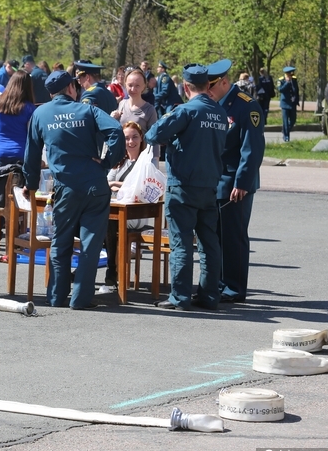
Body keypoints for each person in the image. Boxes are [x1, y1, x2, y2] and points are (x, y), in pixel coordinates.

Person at [22, 70, 125, 309]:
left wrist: (31, 184)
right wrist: (108, 162)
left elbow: (32, 154)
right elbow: (116, 131)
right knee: (90, 244)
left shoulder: (40, 113)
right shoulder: (87, 110)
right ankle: (81, 299)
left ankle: (57, 297)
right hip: (94, 185)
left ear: (50, 93)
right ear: (71, 88)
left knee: (61, 242)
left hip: (66, 188)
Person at [145, 64, 227, 311]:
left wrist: (174, 139)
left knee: (181, 242)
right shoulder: (220, 113)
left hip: (183, 185)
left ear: (185, 86)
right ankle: (210, 295)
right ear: (207, 85)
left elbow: (152, 134)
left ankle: (180, 297)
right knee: (209, 244)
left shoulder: (186, 110)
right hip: (209, 185)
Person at [207, 59, 266, 304]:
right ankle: (218, 283)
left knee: (233, 236)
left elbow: (251, 149)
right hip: (214, 181)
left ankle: (234, 288)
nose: (206, 91)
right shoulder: (212, 104)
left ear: (224, 82)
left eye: (210, 86)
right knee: (216, 237)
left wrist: (241, 182)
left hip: (235, 183)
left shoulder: (246, 106)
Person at [104, 121, 148, 286]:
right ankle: (110, 271)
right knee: (99, 222)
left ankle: (111, 271)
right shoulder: (119, 161)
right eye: (127, 138)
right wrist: (122, 186)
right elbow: (106, 182)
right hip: (116, 209)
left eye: (134, 137)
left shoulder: (146, 162)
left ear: (141, 138)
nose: (131, 142)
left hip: (138, 212)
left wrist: (117, 185)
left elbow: (142, 187)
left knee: (107, 223)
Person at [0, 70, 36, 168]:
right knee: (19, 183)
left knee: (0, 183)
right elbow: (31, 136)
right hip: (20, 153)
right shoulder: (29, 108)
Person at [110, 68, 158, 132]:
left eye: (137, 86)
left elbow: (153, 138)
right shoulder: (122, 104)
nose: (133, 89)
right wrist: (112, 119)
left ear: (144, 86)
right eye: (130, 85)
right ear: (125, 85)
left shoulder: (150, 110)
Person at [278, 66, 299, 141]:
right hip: (285, 103)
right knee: (285, 121)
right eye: (290, 73)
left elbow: (296, 91)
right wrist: (287, 83)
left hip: (292, 103)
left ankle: (284, 130)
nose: (291, 75)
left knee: (293, 120)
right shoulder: (281, 80)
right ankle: (286, 137)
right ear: (286, 74)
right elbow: (280, 90)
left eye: (292, 73)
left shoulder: (294, 79)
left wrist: (297, 100)